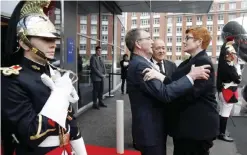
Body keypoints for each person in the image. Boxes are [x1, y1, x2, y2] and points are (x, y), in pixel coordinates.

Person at [1, 1, 87, 155]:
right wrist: (59, 97)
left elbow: (68, 118)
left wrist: (80, 150)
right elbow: (31, 133)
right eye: (46, 39)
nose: (53, 44)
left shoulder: (52, 72)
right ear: (25, 43)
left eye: (54, 39)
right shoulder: (11, 78)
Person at [125, 28, 211, 155]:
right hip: (150, 130)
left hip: (156, 128)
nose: (152, 42)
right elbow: (165, 93)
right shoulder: (140, 66)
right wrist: (191, 77)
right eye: (148, 38)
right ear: (138, 44)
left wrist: (160, 76)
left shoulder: (142, 63)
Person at [216, 38, 241, 142]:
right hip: (228, 91)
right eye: (233, 54)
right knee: (225, 113)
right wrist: (238, 67)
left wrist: (226, 43)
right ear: (228, 54)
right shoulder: (229, 67)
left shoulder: (223, 64)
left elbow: (222, 55)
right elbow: (238, 79)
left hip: (223, 90)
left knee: (222, 112)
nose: (234, 55)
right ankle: (222, 133)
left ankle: (219, 131)